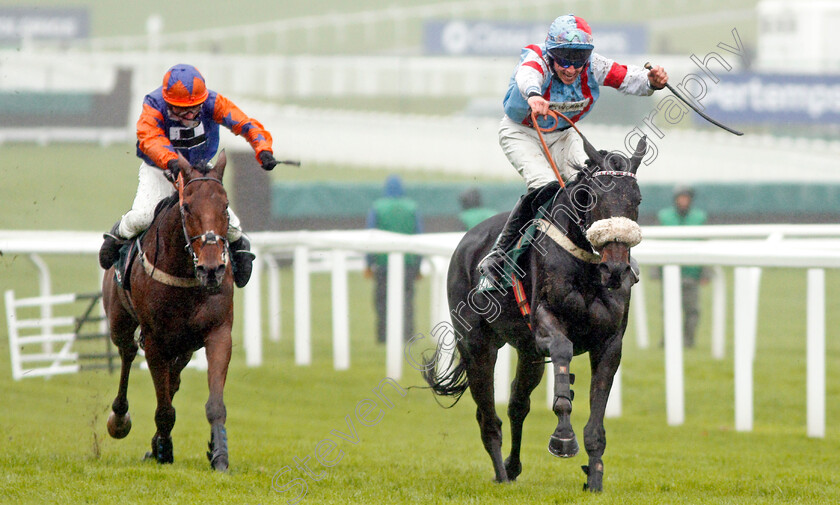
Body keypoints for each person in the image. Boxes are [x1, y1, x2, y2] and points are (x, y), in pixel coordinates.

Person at [478, 14, 668, 280]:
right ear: (551, 54)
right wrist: (533, 94)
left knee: (589, 185)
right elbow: (527, 74)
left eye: (577, 61)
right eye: (562, 59)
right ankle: (499, 253)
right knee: (546, 186)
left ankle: (610, 253)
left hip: (563, 134)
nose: (570, 68)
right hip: (521, 132)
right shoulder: (538, 61)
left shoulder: (593, 65)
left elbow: (626, 77)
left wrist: (651, 82)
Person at [98, 63, 278, 288]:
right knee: (143, 216)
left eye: (195, 108)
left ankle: (240, 248)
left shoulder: (214, 103)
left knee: (229, 225)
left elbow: (245, 124)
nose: (190, 114)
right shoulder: (154, 104)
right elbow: (149, 137)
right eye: (182, 109)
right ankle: (120, 233)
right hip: (161, 170)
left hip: (200, 171)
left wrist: (263, 150)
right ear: (168, 102)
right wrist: (171, 161)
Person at [364, 175, 422, 344]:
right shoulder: (412, 208)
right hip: (408, 264)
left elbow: (370, 236)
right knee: (407, 302)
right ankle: (408, 337)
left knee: (382, 302)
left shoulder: (377, 207)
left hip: (383, 264)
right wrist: (419, 266)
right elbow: (418, 235)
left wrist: (368, 264)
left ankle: (383, 338)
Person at [657, 185, 710, 348]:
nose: (683, 201)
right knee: (669, 309)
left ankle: (688, 341)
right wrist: (655, 269)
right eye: (681, 198)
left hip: (691, 272)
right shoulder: (664, 217)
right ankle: (668, 340)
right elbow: (657, 243)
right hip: (668, 270)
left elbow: (705, 244)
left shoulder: (700, 217)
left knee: (692, 311)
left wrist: (705, 272)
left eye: (686, 198)